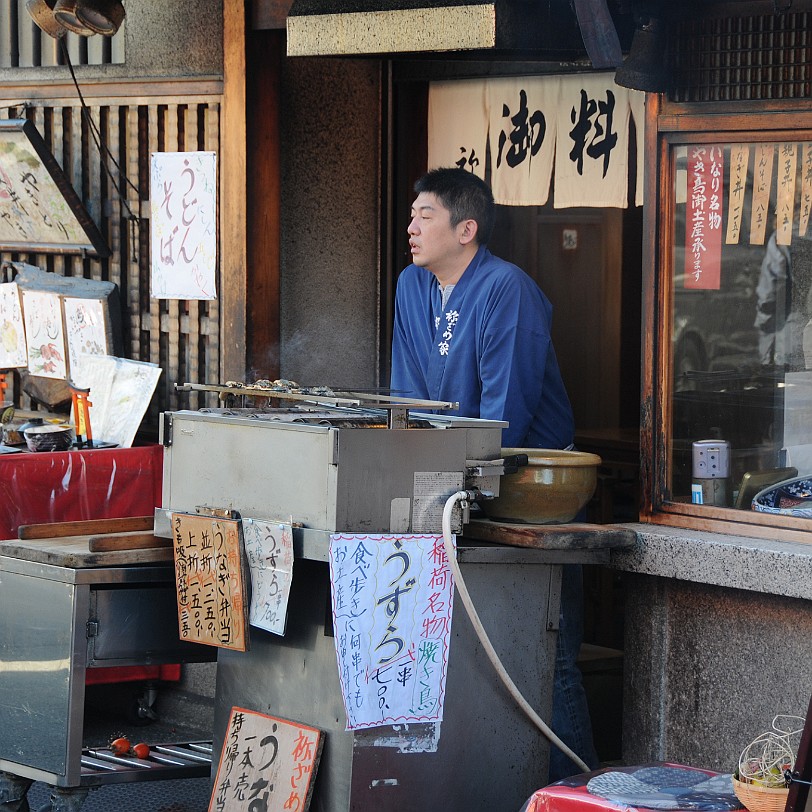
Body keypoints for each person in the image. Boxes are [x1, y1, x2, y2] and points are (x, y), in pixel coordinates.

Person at [390, 166, 599, 781]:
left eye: (424, 215)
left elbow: (507, 408)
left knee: (547, 647)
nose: (411, 227)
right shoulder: (411, 285)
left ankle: (576, 786)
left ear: (467, 228)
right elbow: (408, 393)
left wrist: (463, 478)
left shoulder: (507, 289)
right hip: (452, 485)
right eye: (412, 215)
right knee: (470, 647)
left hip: (528, 487)